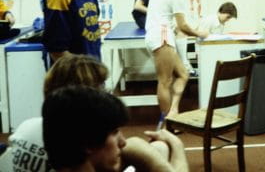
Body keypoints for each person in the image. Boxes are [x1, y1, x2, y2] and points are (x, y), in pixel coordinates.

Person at [0, 54, 188, 172]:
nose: (105, 93)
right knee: (159, 149)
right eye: (100, 87)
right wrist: (176, 147)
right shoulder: (79, 139)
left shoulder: (29, 127)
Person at [145, 0, 208, 127]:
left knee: (183, 74)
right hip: (162, 36)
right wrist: (200, 33)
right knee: (165, 81)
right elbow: (183, 27)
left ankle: (173, 112)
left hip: (155, 34)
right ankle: (167, 124)